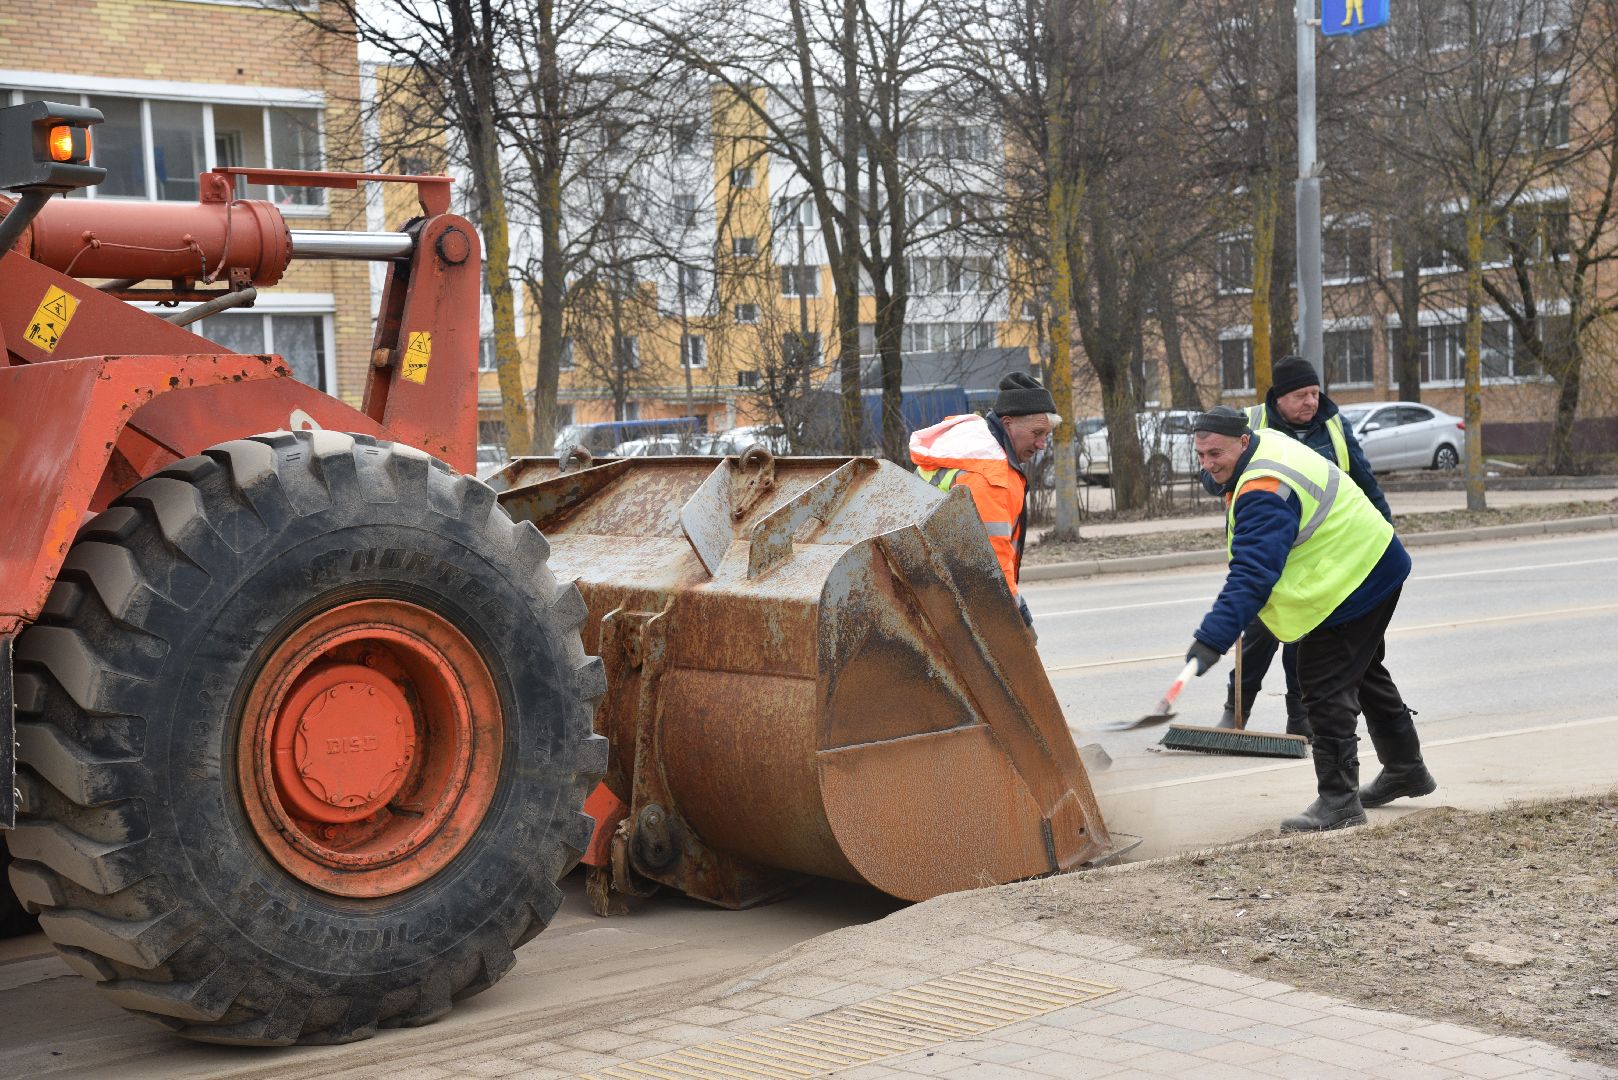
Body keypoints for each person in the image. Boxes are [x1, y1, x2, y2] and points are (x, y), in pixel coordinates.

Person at [1183, 406, 1436, 832]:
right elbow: (1222, 477)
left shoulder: (1265, 491)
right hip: (1373, 560)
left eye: (1216, 454)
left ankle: (1339, 800)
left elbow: (1252, 575)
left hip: (1354, 580)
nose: (1208, 464)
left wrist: (1211, 640)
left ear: (1243, 442)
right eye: (1201, 455)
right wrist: (1218, 471)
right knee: (1365, 672)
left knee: (1323, 683)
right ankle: (1405, 768)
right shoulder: (1265, 442)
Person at [1220, 355, 1395, 739]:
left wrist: (1386, 529)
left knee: (1307, 636)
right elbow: (1213, 471)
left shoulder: (1333, 426)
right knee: (1260, 632)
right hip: (1268, 547)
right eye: (1301, 395)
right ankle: (1236, 710)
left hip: (1321, 557)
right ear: (1279, 398)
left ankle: (1300, 719)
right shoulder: (1250, 425)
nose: (1311, 402)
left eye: (1315, 393)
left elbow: (1364, 480)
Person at [909, 372, 1058, 631]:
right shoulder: (991, 477)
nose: (1042, 444)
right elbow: (992, 562)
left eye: (1046, 435)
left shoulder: (967, 447)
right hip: (957, 599)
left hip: (929, 585)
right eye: (1037, 432)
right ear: (1008, 423)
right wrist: (1015, 614)